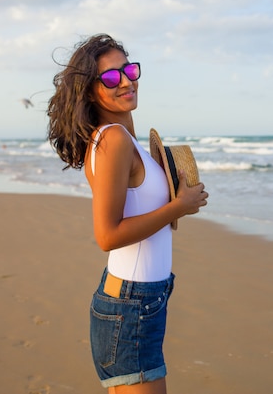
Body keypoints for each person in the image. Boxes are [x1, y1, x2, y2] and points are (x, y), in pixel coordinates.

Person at [47, 34, 208, 394]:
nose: (125, 80)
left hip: (142, 298)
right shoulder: (113, 140)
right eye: (110, 77)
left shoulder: (123, 138)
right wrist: (178, 207)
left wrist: (178, 202)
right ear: (89, 91)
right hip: (130, 305)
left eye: (128, 69)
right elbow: (107, 234)